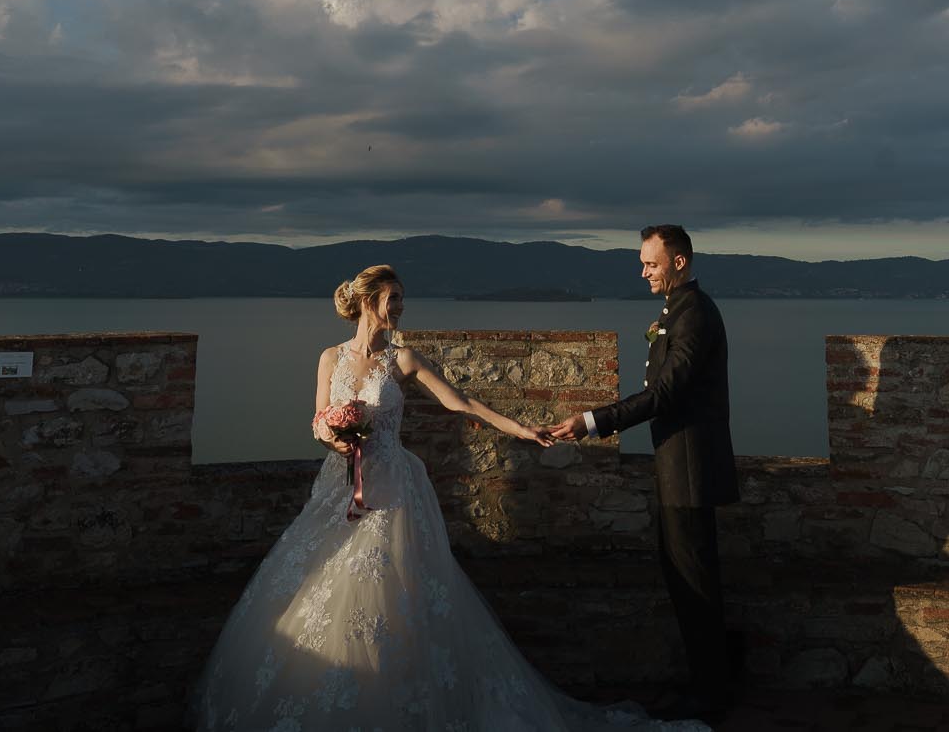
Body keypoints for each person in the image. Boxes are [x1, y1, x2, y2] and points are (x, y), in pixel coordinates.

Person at [192, 264, 710, 731]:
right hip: (339, 486)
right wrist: (335, 436)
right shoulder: (330, 357)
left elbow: (461, 402)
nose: (399, 307)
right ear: (368, 301)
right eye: (392, 298)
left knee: (391, 592)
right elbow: (317, 421)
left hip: (393, 487)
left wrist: (522, 430)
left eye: (401, 298)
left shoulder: (404, 360)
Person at [550, 225, 740, 723]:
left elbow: (665, 394)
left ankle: (711, 694)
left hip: (691, 467)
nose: (643, 272)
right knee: (685, 579)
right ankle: (707, 682)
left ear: (679, 262)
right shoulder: (675, 311)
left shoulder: (693, 313)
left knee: (695, 582)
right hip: (679, 463)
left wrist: (593, 421)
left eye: (651, 263)